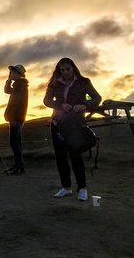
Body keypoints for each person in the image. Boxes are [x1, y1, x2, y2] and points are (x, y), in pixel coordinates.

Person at [43, 58, 101, 201]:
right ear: (59, 71)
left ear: (73, 68)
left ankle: (82, 188)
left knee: (75, 155)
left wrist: (85, 105)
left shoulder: (84, 82)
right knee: (60, 157)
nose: (65, 72)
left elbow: (97, 98)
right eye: (62, 70)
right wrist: (61, 105)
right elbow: (47, 101)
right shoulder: (54, 83)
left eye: (67, 69)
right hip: (57, 123)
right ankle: (66, 187)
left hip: (75, 123)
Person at [4, 64, 29, 175]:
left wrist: (14, 117)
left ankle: (19, 165)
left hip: (16, 117)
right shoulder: (19, 84)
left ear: (18, 74)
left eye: (12, 72)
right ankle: (18, 164)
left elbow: (18, 103)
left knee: (14, 142)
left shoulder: (20, 85)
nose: (10, 74)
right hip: (16, 117)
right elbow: (7, 90)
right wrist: (9, 80)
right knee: (16, 141)